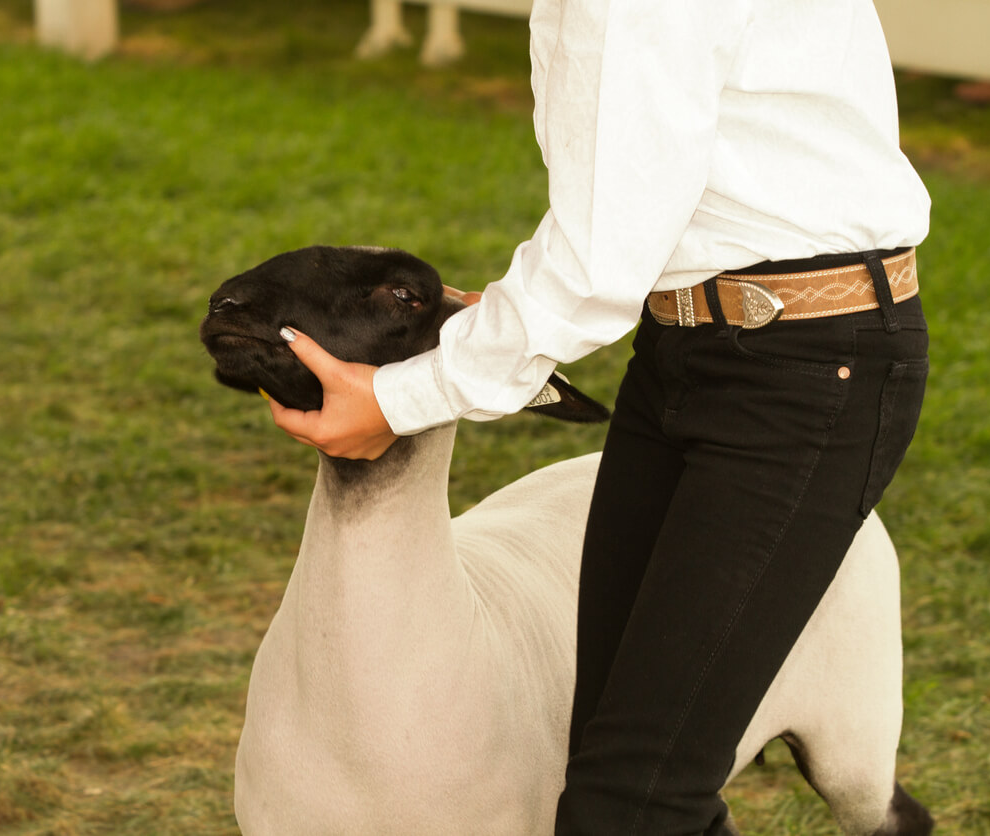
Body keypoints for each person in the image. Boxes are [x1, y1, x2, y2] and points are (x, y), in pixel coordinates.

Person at [269, 0, 930, 832]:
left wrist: (403, 397)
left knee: (632, 802)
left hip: (803, 368)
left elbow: (597, 256)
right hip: (688, 347)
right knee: (624, 761)